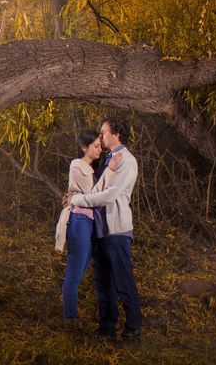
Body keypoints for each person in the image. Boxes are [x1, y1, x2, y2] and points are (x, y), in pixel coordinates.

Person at [63, 117, 142, 344]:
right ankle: (107, 328)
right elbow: (98, 188)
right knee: (103, 283)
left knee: (123, 283)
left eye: (103, 131)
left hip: (117, 230)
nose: (100, 135)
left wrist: (76, 198)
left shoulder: (127, 160)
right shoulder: (109, 160)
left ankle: (133, 332)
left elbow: (109, 196)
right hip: (101, 231)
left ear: (115, 133)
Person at [62, 130, 121, 338]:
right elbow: (94, 195)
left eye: (99, 145)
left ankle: (74, 323)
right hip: (79, 221)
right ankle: (71, 325)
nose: (99, 149)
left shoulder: (89, 169)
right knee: (73, 275)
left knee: (78, 273)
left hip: (88, 223)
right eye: (95, 146)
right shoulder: (78, 165)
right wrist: (110, 172)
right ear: (84, 147)